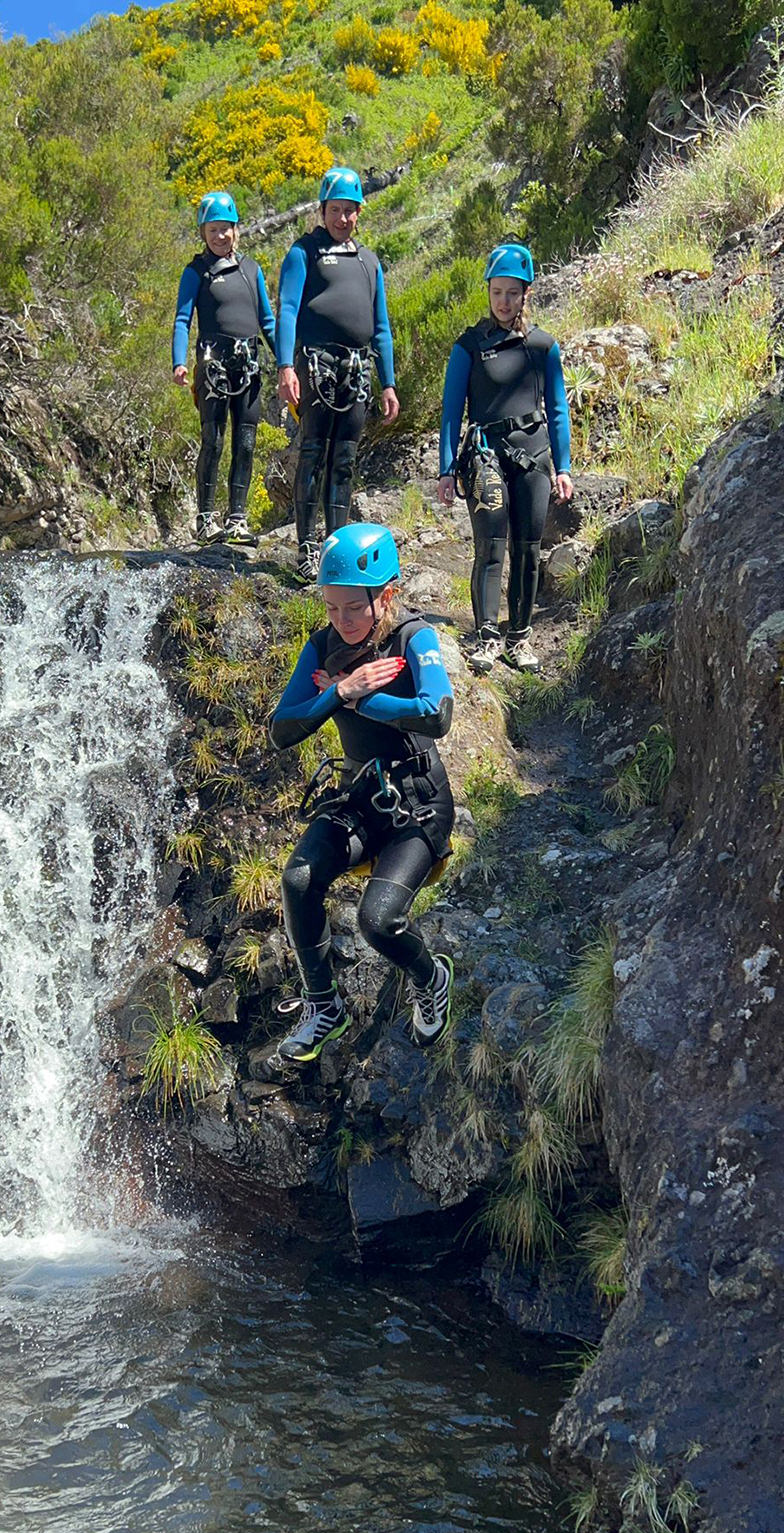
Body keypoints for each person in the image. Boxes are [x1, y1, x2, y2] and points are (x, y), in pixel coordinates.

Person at [269, 522, 455, 1064]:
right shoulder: (323, 647)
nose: (342, 621)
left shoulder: (413, 636)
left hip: (418, 803)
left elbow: (437, 712)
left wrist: (365, 704)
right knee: (299, 879)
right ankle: (322, 1005)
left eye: (354, 607)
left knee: (377, 921)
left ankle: (429, 976)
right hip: (359, 798)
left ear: (386, 594)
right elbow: (283, 729)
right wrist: (343, 692)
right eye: (332, 607)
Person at [437, 241, 574, 673]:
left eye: (512, 293)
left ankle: (520, 637)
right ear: (489, 291)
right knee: (491, 548)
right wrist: (445, 469)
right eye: (497, 292)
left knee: (528, 550)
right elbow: (450, 412)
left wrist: (564, 468)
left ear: (526, 294)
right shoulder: (469, 346)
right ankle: (487, 637)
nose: (503, 301)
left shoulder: (543, 347)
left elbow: (557, 409)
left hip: (535, 457)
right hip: (485, 458)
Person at [276, 167, 399, 584]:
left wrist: (388, 382)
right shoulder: (303, 252)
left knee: (344, 459)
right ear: (322, 209)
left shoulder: (369, 261)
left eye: (350, 211)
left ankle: (337, 549)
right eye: (335, 210)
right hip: (315, 365)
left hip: (356, 370)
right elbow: (288, 310)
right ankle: (307, 549)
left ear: (359, 213)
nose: (342, 218)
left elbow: (380, 325)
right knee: (313, 453)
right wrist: (285, 367)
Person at [172, 189, 277, 545]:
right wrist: (179, 362)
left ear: (236, 229)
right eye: (213, 230)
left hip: (247, 367)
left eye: (226, 228)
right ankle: (204, 520)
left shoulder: (251, 270)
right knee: (213, 442)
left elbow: (268, 321)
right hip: (212, 368)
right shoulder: (196, 272)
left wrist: (287, 361)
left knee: (245, 443)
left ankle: (237, 519)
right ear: (203, 233)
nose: (221, 236)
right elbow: (183, 319)